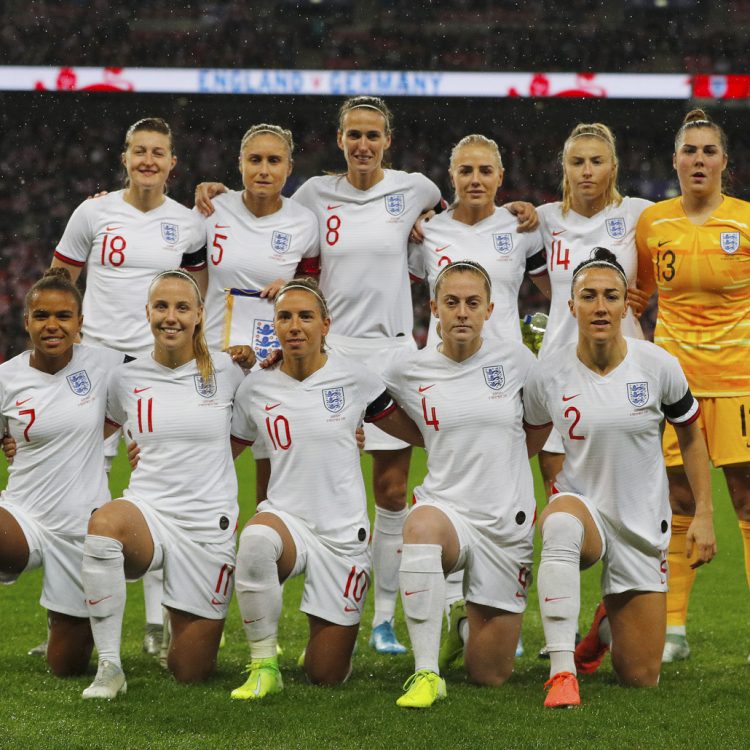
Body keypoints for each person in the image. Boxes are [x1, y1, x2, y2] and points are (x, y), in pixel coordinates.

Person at [196, 96, 441, 655]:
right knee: (301, 479)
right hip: (328, 353)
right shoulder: (312, 197)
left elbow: (454, 217)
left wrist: (432, 222)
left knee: (393, 488)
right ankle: (296, 587)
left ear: (388, 140)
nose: (363, 144)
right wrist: (211, 190)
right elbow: (288, 251)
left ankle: (382, 617)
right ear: (339, 139)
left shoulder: (416, 188)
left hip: (393, 350)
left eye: (373, 135)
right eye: (354, 134)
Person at [523, 248, 716, 708]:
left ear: (627, 305)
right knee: (562, 525)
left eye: (611, 296)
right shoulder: (547, 375)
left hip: (642, 523)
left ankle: (603, 629)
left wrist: (705, 513)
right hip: (583, 508)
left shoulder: (657, 365)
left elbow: (691, 435)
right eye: (588, 296)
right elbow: (525, 443)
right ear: (572, 306)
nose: (601, 306)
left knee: (640, 676)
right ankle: (562, 673)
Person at [51, 117, 206, 656]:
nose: (148, 160)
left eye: (158, 153)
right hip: (92, 365)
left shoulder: (188, 224)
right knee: (80, 489)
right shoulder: (93, 212)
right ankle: (75, 616)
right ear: (125, 157)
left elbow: (194, 299)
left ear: (171, 163)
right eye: (139, 151)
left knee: (158, 490)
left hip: (153, 371)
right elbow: (59, 284)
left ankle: (157, 623)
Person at [229, 278, 422, 699]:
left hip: (342, 536)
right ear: (274, 327)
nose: (294, 325)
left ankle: (325, 648)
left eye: (305, 316)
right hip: (288, 520)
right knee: (257, 539)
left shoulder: (356, 379)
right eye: (285, 316)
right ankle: (263, 664)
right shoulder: (256, 388)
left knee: (326, 674)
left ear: (326, 325)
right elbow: (224, 451)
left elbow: (415, 430)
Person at [80, 270, 253, 699]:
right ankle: (109, 667)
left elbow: (263, 421)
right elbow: (87, 432)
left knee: (190, 670)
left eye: (181, 308)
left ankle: (178, 623)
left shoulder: (230, 370)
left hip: (206, 527)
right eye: (161, 307)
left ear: (199, 315)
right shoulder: (126, 378)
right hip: (149, 511)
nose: (170, 317)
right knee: (104, 526)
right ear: (147, 313)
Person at [407, 134, 548, 657]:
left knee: (543, 481)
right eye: (464, 169)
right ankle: (445, 604)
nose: (474, 179)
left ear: (500, 176)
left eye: (485, 170)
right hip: (445, 374)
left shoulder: (522, 227)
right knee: (445, 480)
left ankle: (538, 614)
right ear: (450, 176)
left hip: (510, 378)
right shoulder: (425, 233)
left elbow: (556, 282)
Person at [380, 260, 543, 708]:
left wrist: (507, 456)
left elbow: (540, 423)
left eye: (473, 303)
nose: (462, 312)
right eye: (452, 302)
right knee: (420, 527)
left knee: (489, 674)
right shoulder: (408, 370)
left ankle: (462, 625)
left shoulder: (517, 361)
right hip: (446, 510)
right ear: (434, 307)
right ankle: (426, 673)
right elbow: (370, 404)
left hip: (503, 525)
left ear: (490, 309)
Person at [636, 109, 750, 663]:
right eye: (690, 151)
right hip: (675, 383)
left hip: (740, 382)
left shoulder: (746, 220)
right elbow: (636, 296)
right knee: (679, 497)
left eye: (709, 151)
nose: (699, 159)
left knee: (747, 499)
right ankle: (674, 629)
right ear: (676, 161)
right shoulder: (653, 223)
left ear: (724, 162)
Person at [0, 269, 122, 678]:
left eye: (64, 316)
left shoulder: (107, 363)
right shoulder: (6, 378)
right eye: (42, 316)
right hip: (22, 516)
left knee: (65, 668)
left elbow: (164, 373)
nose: (52, 325)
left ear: (80, 323)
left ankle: (62, 625)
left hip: (80, 530)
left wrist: (240, 357)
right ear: (27, 321)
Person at [535, 123, 652, 499]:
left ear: (613, 168)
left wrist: (650, 297)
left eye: (596, 161)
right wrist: (425, 218)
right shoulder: (540, 220)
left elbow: (677, 258)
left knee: (630, 498)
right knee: (562, 498)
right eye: (577, 162)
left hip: (626, 368)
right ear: (564, 168)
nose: (587, 170)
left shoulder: (640, 214)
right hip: (559, 369)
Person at [190, 123, 319, 352]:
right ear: (240, 163)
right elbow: (185, 283)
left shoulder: (305, 222)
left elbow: (312, 286)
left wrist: (293, 288)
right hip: (213, 352)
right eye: (255, 159)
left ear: (289, 168)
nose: (264, 170)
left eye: (274, 161)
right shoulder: (211, 210)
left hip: (273, 357)